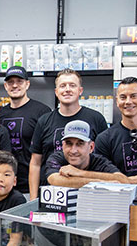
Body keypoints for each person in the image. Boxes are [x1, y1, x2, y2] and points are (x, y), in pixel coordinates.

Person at [28, 68, 108, 196]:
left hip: (88, 193)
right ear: (56, 92)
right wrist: (33, 199)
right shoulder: (44, 121)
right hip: (51, 194)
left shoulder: (96, 119)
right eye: (62, 86)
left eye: (72, 85)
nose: (67, 89)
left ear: (80, 90)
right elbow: (35, 163)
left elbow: (104, 160)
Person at [0, 66, 51, 195]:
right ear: (5, 86)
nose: (15, 85)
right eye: (10, 82)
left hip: (31, 185)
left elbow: (46, 151)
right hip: (5, 184)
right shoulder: (0, 114)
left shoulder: (42, 111)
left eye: (19, 81)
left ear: (27, 84)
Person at [43, 120, 128, 188]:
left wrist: (80, 173)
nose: (73, 150)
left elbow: (123, 180)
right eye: (69, 143)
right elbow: (55, 180)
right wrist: (101, 183)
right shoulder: (57, 158)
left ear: (91, 147)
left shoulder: (98, 161)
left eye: (80, 144)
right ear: (63, 146)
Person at [95, 77, 137, 187]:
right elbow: (101, 177)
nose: (128, 102)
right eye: (123, 97)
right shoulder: (104, 139)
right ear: (117, 101)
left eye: (133, 96)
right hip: (119, 199)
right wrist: (128, 180)